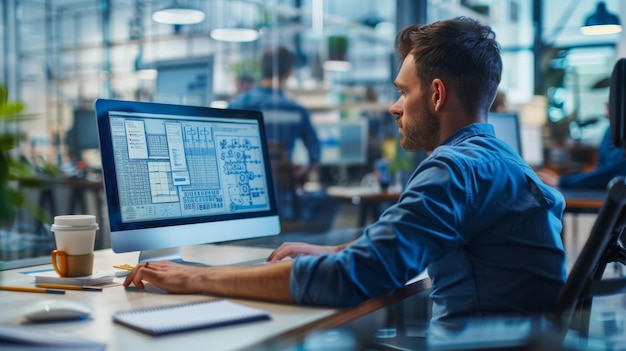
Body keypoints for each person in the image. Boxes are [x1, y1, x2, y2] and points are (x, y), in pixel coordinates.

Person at [124, 17, 566, 321]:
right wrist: (336, 252)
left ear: (435, 95)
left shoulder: (453, 170)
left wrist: (196, 277)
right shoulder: (500, 160)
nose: (394, 107)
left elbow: (348, 281)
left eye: (402, 92)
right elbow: (400, 250)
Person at [228, 46, 336, 227]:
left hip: (241, 194)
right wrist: (302, 174)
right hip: (283, 194)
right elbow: (314, 149)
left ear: (261, 69)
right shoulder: (296, 109)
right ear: (288, 72)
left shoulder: (238, 104)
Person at [536, 105, 626, 189]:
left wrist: (563, 182)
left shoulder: (618, 132)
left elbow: (613, 172)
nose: (606, 103)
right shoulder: (610, 131)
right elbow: (601, 172)